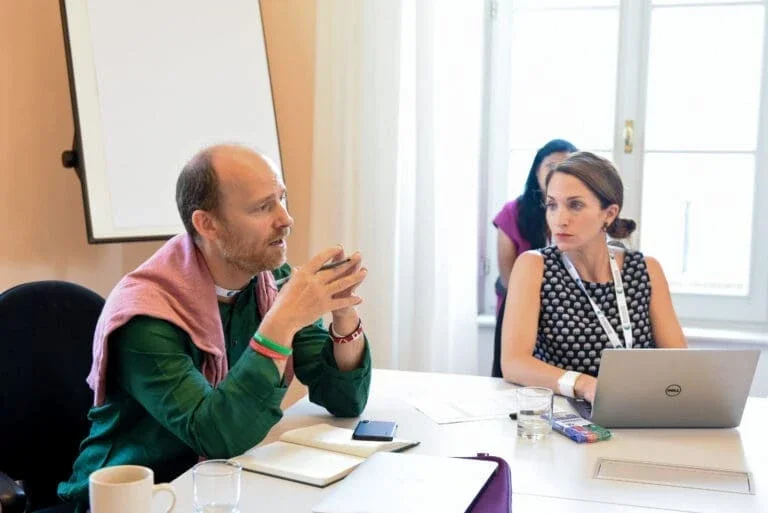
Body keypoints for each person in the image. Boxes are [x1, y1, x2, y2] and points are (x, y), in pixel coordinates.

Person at [57, 144, 372, 512]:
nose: (286, 219)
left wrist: (343, 313)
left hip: (216, 488)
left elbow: (345, 400)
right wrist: (282, 322)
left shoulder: (271, 282)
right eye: (262, 207)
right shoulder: (145, 315)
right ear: (207, 224)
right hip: (135, 500)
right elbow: (216, 435)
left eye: (282, 199)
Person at [500, 152, 686, 404]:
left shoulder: (646, 269)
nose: (560, 219)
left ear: (609, 213)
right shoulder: (534, 266)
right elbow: (513, 363)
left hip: (637, 409)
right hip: (566, 414)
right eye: (552, 205)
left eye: (575, 205)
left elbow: (678, 361)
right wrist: (585, 385)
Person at [491, 139, 577, 377]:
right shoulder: (513, 212)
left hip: (568, 312)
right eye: (551, 166)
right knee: (516, 377)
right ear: (536, 170)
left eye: (567, 165)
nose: (559, 172)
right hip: (518, 305)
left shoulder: (580, 216)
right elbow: (508, 278)